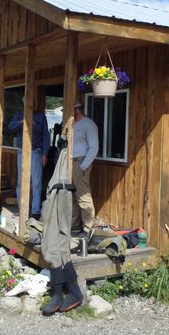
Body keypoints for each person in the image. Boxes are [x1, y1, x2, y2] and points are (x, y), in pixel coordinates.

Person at [8, 100, 50, 220]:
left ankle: (35, 211)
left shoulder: (41, 116)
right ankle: (22, 209)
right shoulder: (19, 114)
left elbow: (45, 135)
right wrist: (22, 122)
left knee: (36, 182)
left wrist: (45, 153)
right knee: (21, 182)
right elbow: (10, 127)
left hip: (36, 152)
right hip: (22, 152)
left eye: (32, 102)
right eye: (27, 102)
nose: (31, 105)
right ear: (24, 104)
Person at [71, 100, 99, 239]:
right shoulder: (72, 124)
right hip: (70, 163)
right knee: (72, 196)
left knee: (83, 196)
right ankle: (75, 226)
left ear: (77, 109)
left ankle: (88, 228)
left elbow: (94, 148)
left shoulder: (89, 124)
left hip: (80, 163)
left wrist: (83, 165)